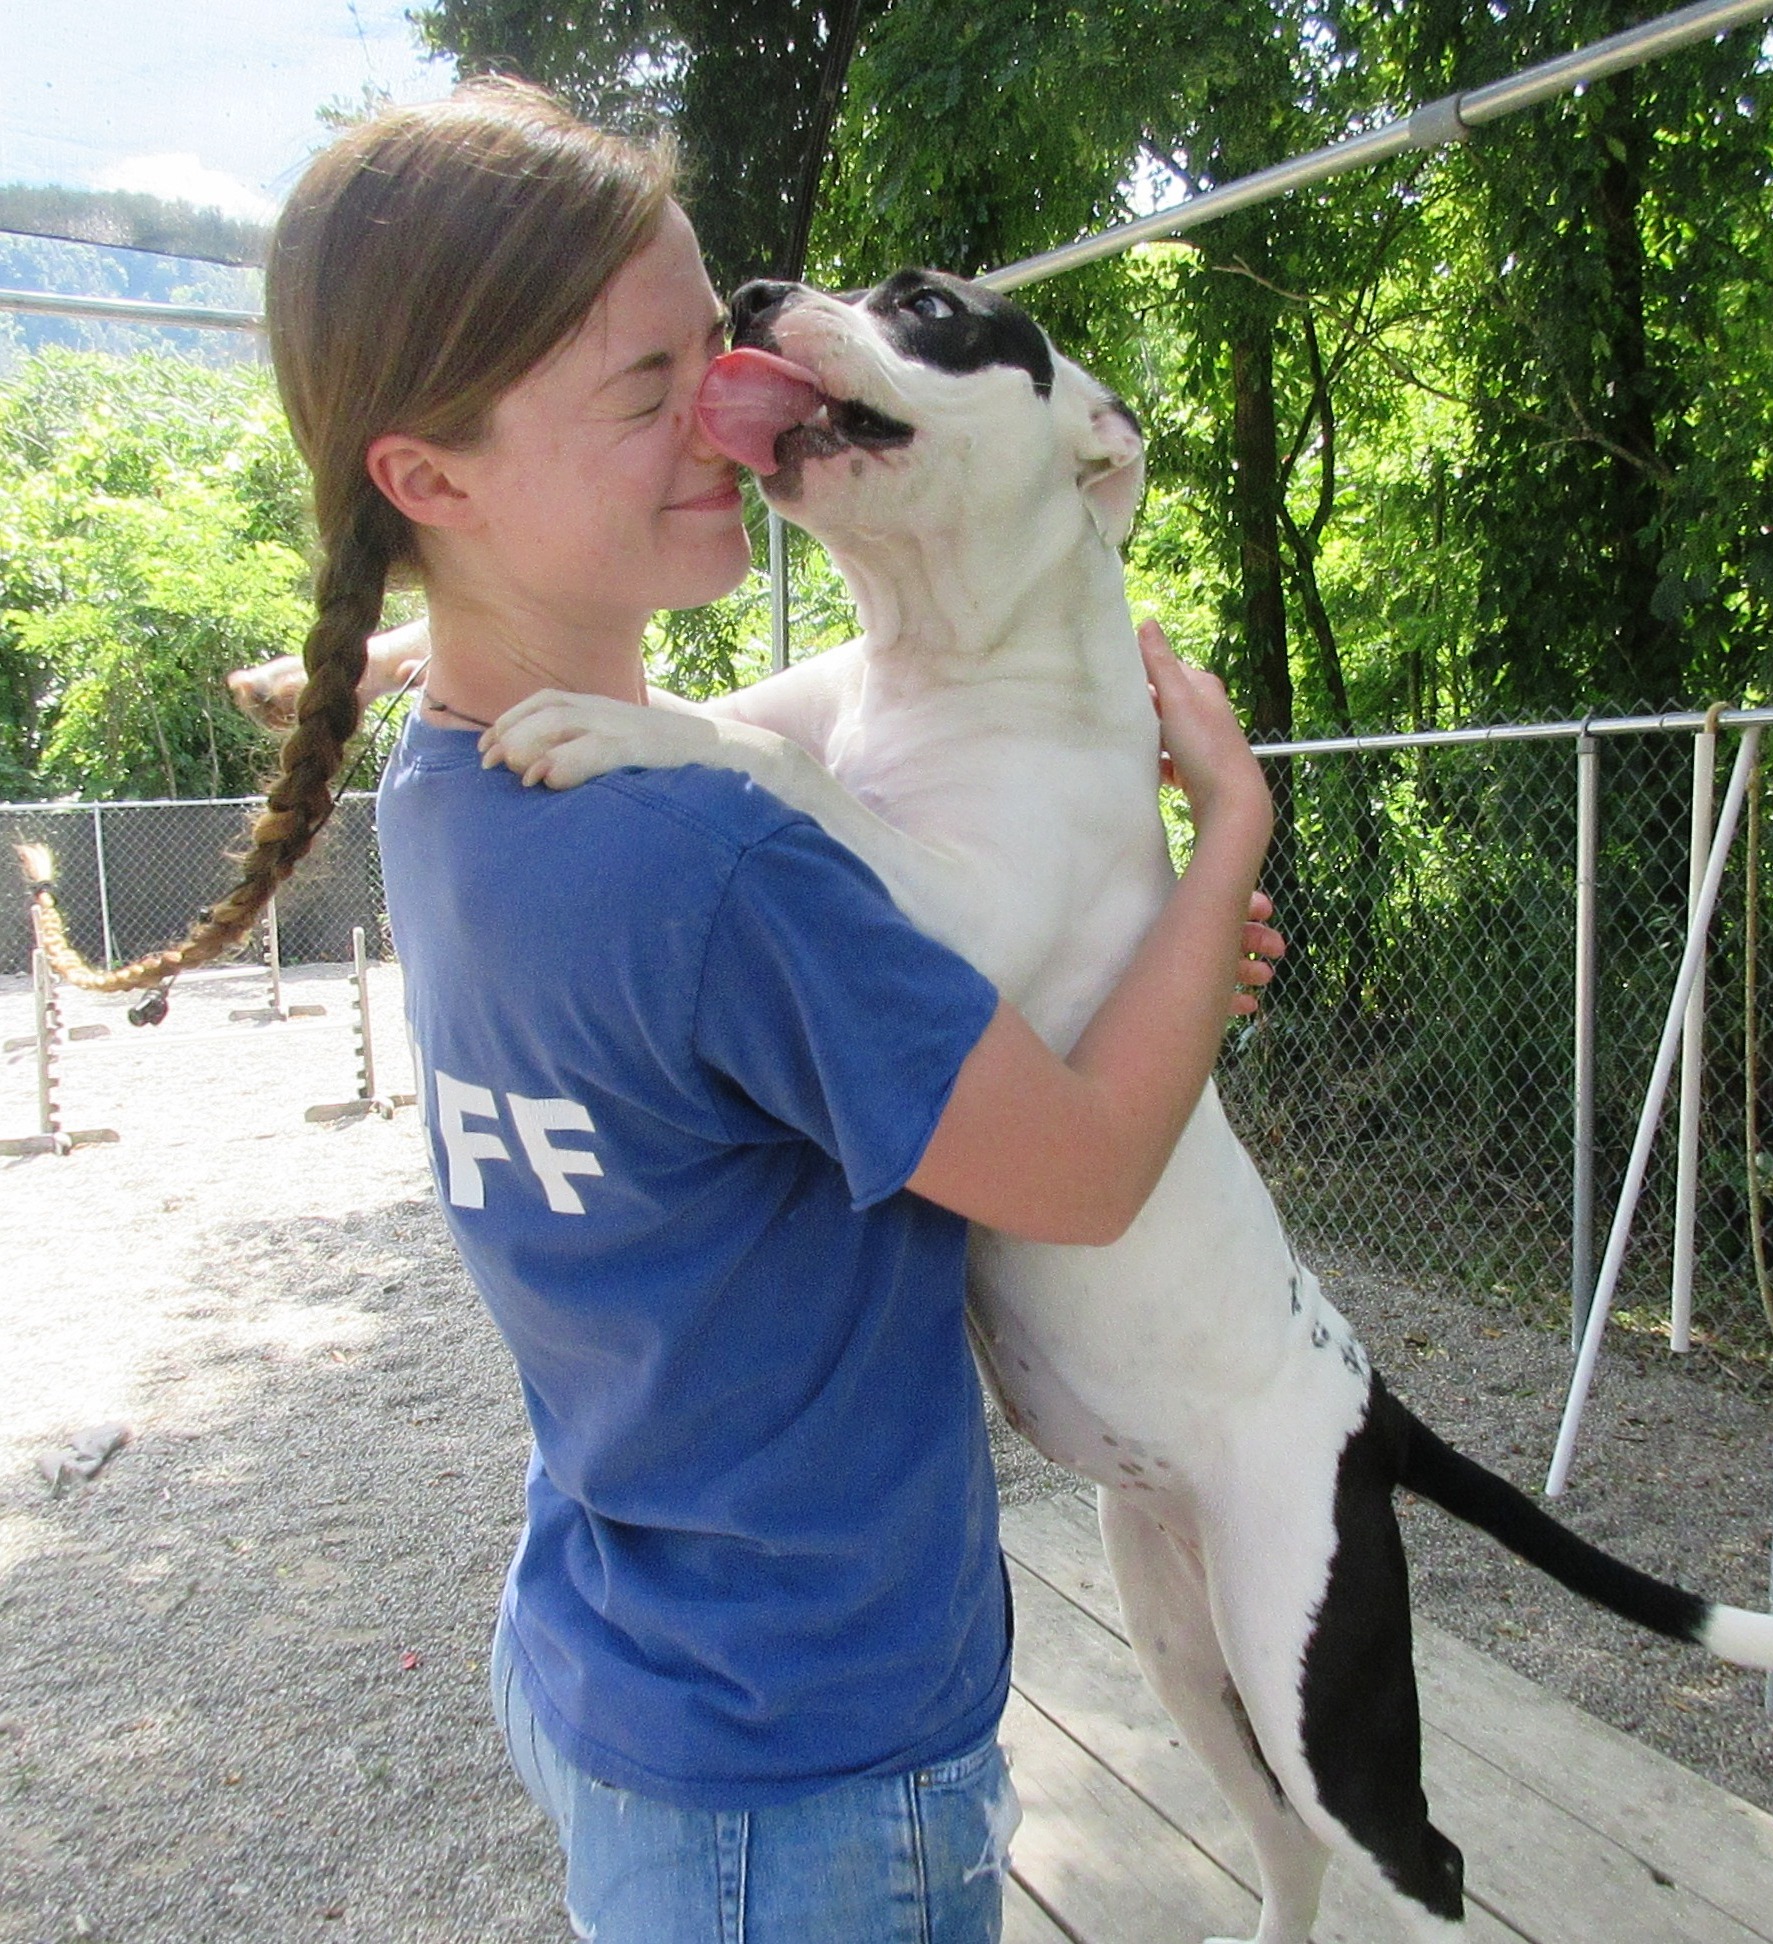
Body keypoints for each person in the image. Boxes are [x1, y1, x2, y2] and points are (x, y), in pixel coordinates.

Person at [36, 82, 1279, 1944]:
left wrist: (393, 649)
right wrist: (1226, 848)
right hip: (819, 1764)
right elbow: (1092, 1168)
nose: (730, 402)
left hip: (612, 1652)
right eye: (648, 389)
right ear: (427, 483)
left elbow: (807, 722)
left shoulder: (450, 789)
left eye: (716, 344)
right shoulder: (724, 869)